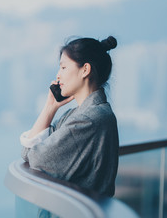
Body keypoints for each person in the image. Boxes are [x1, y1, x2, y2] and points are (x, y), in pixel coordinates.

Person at [20, 36, 119, 206]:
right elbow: (27, 152)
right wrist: (50, 108)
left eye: (64, 67)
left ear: (85, 70)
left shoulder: (87, 119)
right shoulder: (80, 114)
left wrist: (34, 151)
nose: (58, 76)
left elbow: (35, 157)